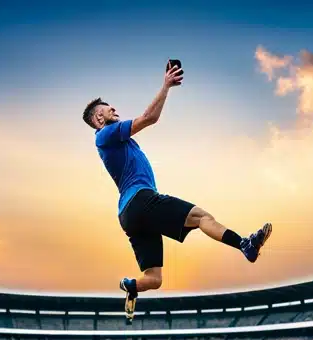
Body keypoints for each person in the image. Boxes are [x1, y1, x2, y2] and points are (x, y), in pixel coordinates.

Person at [82, 62, 272, 323]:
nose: (114, 109)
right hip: (140, 200)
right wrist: (166, 85)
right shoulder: (105, 134)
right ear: (99, 119)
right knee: (202, 217)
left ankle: (131, 285)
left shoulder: (119, 142)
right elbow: (149, 118)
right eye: (108, 108)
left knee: (154, 279)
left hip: (129, 215)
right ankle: (245, 245)